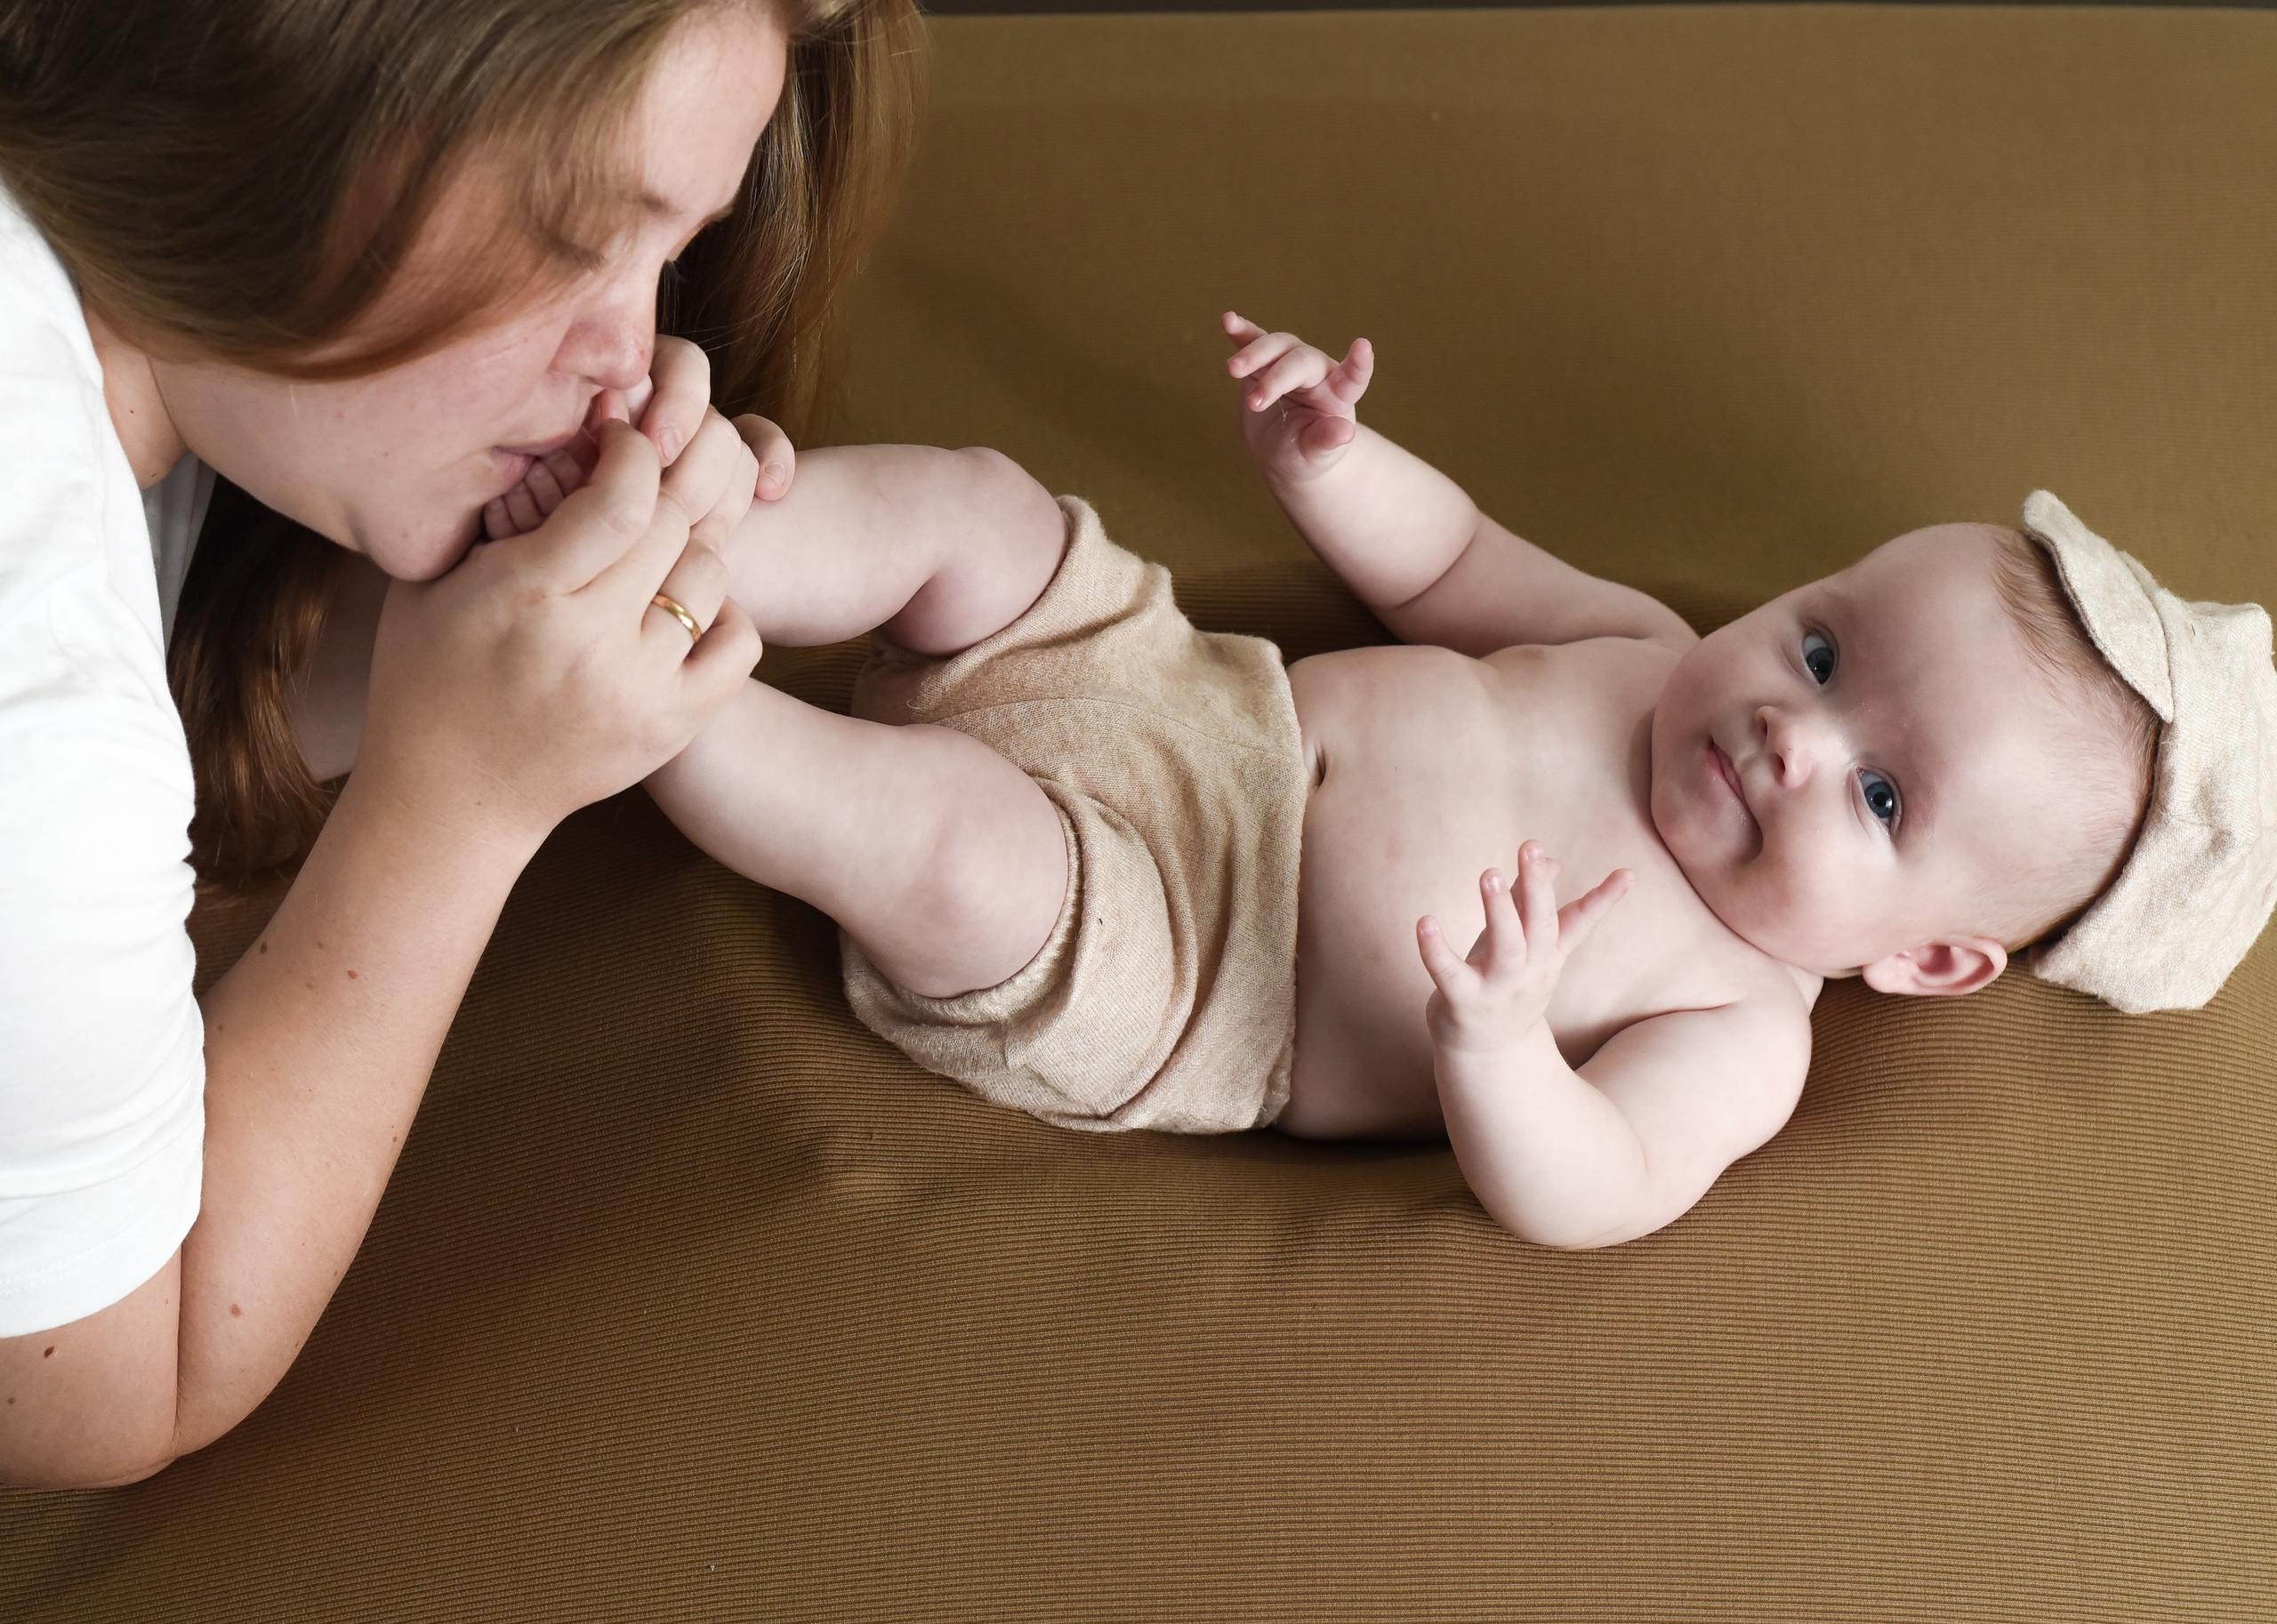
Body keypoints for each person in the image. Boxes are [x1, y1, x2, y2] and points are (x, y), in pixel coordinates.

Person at [631, 312, 2277, 1248]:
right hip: (1165, 688)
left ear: (1925, 959)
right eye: (1826, 651)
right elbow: (1457, 562)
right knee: (984, 511)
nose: (1794, 728)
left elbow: (1597, 1188)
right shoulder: (1640, 645)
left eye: (1884, 799)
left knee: (962, 857)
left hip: (1181, 956)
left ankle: (651, 689)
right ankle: (683, 527)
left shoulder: (1742, 1024)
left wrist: (1499, 1050)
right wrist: (1334, 468)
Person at [0, 0, 921, 1489]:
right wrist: (465, 798)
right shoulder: (31, 721)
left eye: (662, 258)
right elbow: (105, 1382)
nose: (630, 361)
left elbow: (150, 719)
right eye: (575, 239)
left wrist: (507, 623)